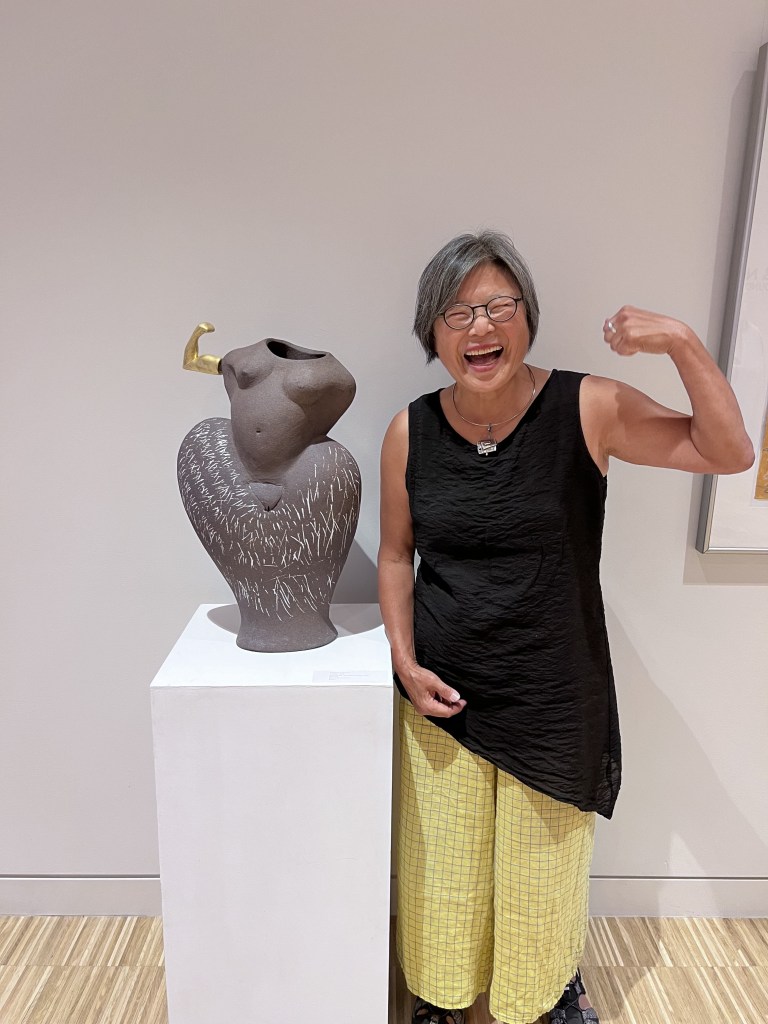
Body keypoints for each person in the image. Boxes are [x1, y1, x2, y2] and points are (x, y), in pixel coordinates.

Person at [377, 231, 753, 1024]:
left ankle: (541, 999)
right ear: (432, 332)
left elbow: (727, 450)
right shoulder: (408, 432)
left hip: (554, 700)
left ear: (526, 316)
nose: (480, 329)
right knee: (441, 883)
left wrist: (682, 341)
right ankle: (443, 1003)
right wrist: (404, 662)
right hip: (442, 703)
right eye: (457, 313)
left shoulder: (588, 407)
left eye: (497, 307)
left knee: (539, 890)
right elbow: (395, 554)